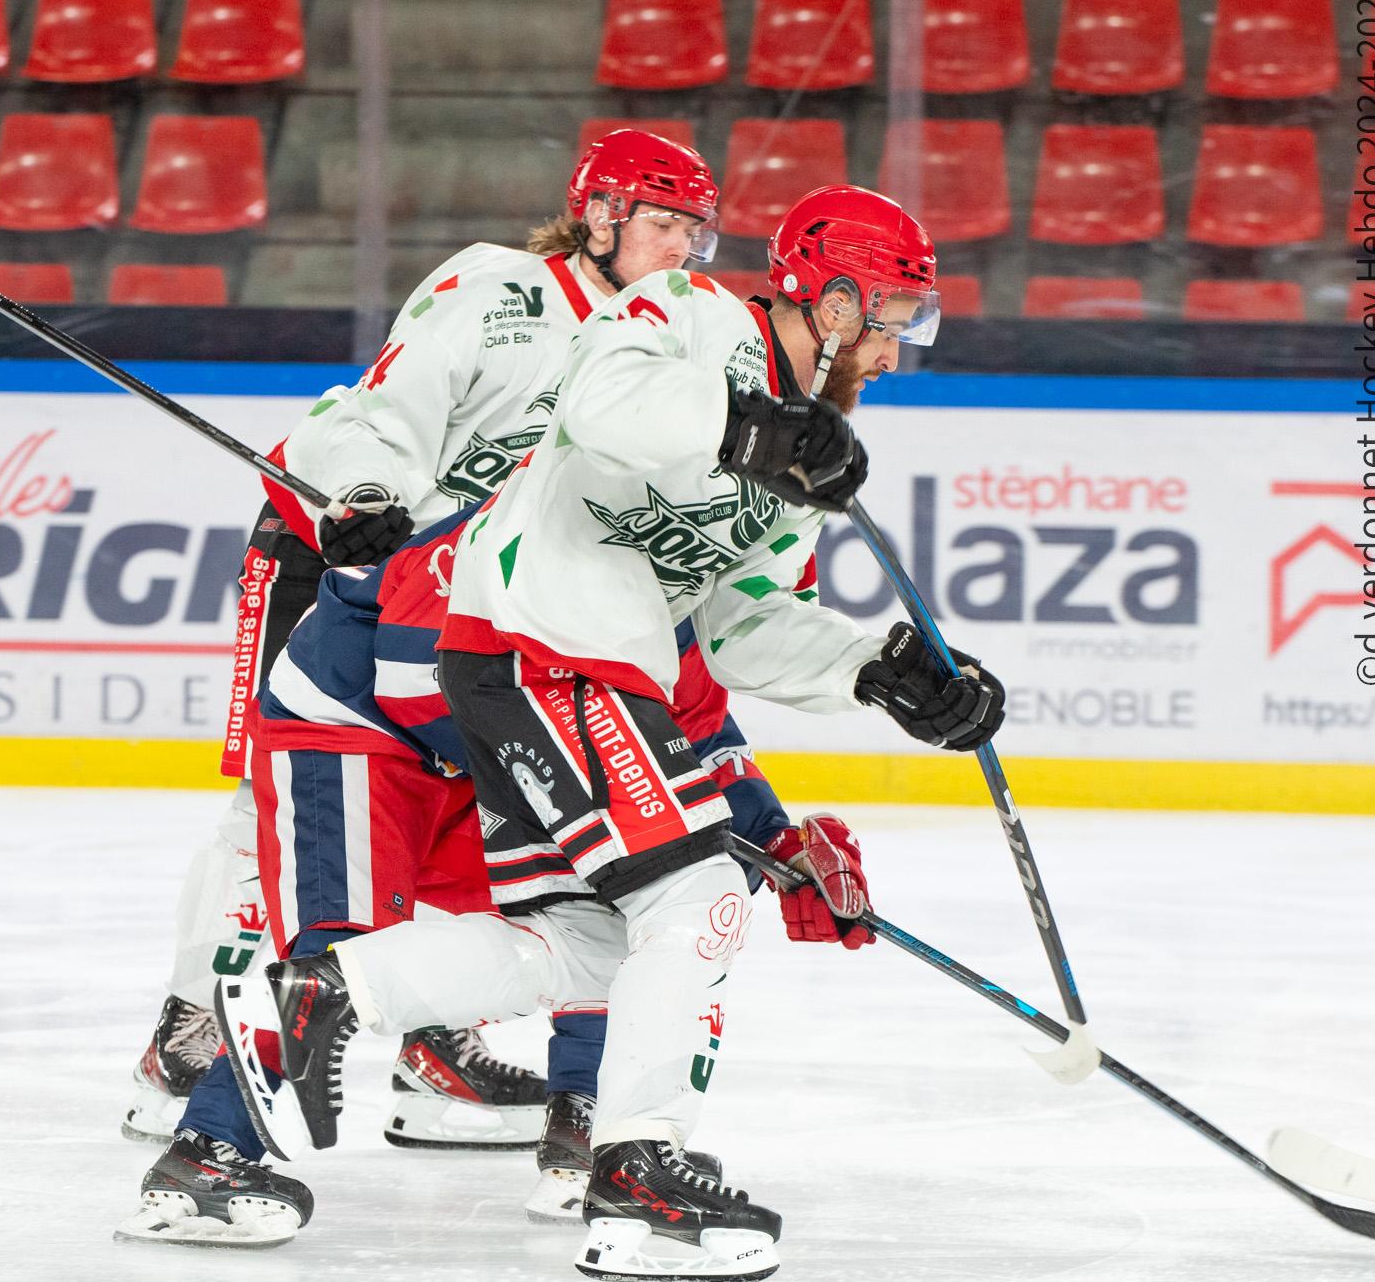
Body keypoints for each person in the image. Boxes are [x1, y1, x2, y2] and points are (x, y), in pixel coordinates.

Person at [221, 187, 1008, 1281]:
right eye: (888, 318)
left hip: (587, 663)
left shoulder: (806, 458)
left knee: (590, 940)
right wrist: (745, 429)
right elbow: (599, 406)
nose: (892, 351)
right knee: (699, 901)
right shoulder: (690, 315)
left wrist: (874, 670)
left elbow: (731, 621)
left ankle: (329, 993)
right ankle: (637, 1175)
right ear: (829, 302)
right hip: (542, 641)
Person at [124, 130, 725, 1150]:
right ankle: (190, 1036)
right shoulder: (500, 292)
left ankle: (431, 1039)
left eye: (693, 232)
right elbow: (377, 415)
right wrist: (362, 495)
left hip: (462, 604)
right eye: (661, 223)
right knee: (274, 819)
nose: (679, 249)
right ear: (600, 216)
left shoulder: (659, 344)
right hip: (339, 557)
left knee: (486, 820)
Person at [120, 503, 853, 1248]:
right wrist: (586, 788)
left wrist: (778, 838)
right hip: (351, 723)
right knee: (340, 942)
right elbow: (412, 666)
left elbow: (695, 723)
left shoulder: (671, 583)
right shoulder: (561, 536)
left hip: (489, 737)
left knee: (609, 907)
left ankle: (588, 1122)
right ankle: (207, 1149)